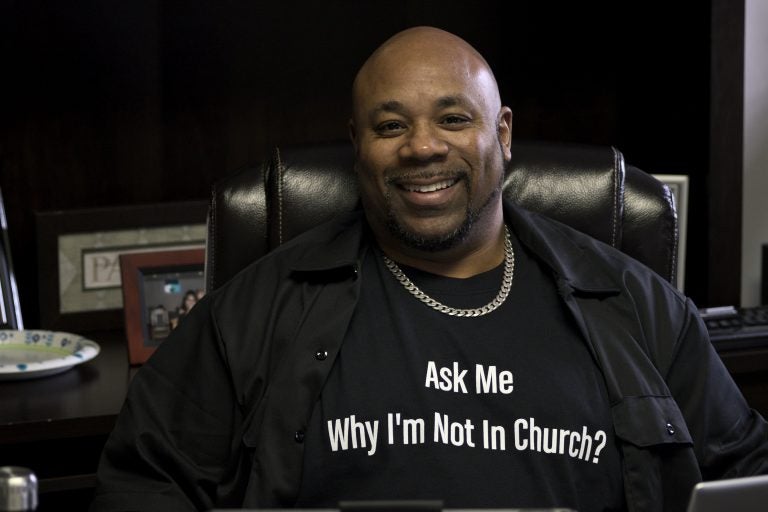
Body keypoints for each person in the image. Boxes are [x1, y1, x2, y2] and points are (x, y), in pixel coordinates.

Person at [90, 26, 768, 511]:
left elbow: (747, 475)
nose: (422, 147)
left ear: (500, 134)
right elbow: (140, 485)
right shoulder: (254, 312)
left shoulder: (638, 308)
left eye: (452, 118)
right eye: (390, 127)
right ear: (359, 147)